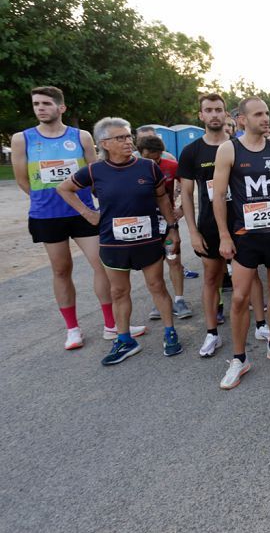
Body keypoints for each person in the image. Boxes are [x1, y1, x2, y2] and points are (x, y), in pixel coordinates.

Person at [11, 86, 130, 350]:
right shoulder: (23, 139)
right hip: (47, 215)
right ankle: (72, 329)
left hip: (83, 212)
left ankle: (111, 325)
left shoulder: (81, 136)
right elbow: (22, 179)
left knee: (102, 266)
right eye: (36, 104)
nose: (40, 108)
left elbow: (96, 172)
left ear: (61, 108)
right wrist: (46, 200)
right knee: (61, 270)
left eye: (46, 104)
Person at [57, 117, 182, 364]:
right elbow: (64, 188)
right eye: (120, 138)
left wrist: (172, 228)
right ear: (104, 143)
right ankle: (125, 340)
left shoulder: (148, 166)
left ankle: (170, 333)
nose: (128, 142)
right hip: (113, 242)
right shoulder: (95, 170)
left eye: (128, 136)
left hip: (147, 239)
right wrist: (88, 213)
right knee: (118, 291)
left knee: (157, 286)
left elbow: (163, 200)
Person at [212, 97, 270, 389]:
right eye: (258, 114)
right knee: (240, 298)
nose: (265, 118)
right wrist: (224, 235)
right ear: (242, 119)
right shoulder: (229, 149)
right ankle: (239, 358)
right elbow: (218, 196)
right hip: (244, 236)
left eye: (266, 113)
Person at [177, 92, 231, 357]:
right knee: (212, 278)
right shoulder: (191, 151)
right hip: (209, 225)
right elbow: (186, 195)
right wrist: (193, 232)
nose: (214, 114)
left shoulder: (240, 145)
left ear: (226, 114)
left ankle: (261, 325)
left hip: (244, 222)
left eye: (218, 109)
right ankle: (212, 334)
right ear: (201, 115)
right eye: (208, 110)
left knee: (251, 277)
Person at [137, 136, 193, 320]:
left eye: (157, 157)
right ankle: (159, 301)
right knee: (153, 264)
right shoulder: (133, 166)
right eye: (149, 158)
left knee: (173, 259)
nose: (153, 162)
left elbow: (188, 187)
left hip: (168, 222)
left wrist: (183, 210)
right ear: (140, 153)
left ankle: (179, 300)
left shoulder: (171, 166)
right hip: (144, 224)